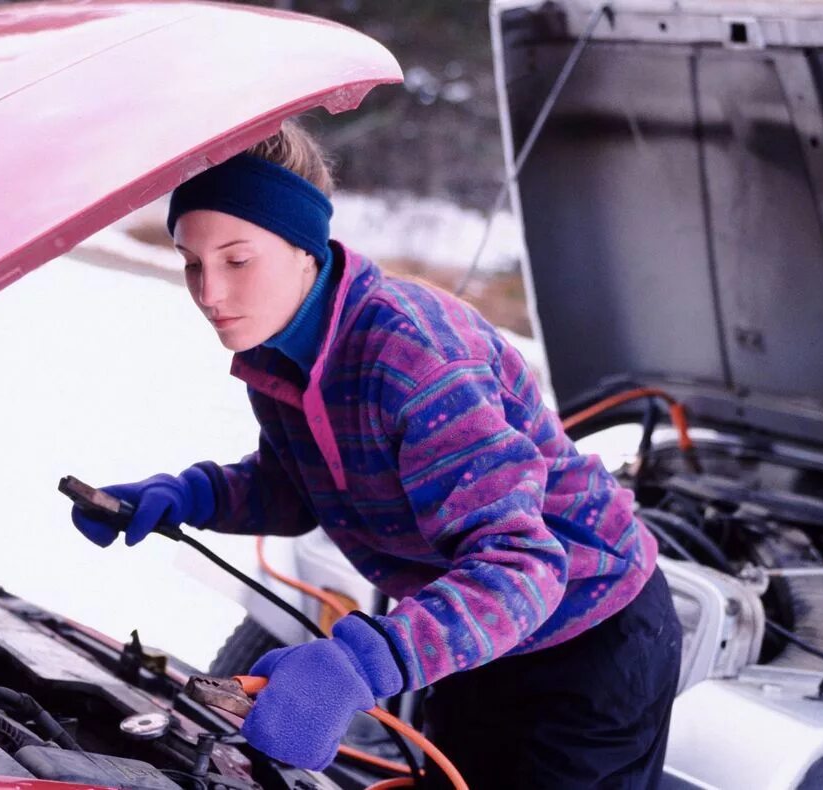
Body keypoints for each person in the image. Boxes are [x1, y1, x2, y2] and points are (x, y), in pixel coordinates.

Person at [71, 119, 683, 789]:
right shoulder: (276, 353)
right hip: (472, 631)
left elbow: (527, 566)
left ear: (305, 247)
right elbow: (295, 488)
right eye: (193, 263)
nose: (210, 293)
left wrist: (362, 664)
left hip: (587, 637)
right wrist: (188, 495)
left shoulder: (415, 359)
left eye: (237, 260)